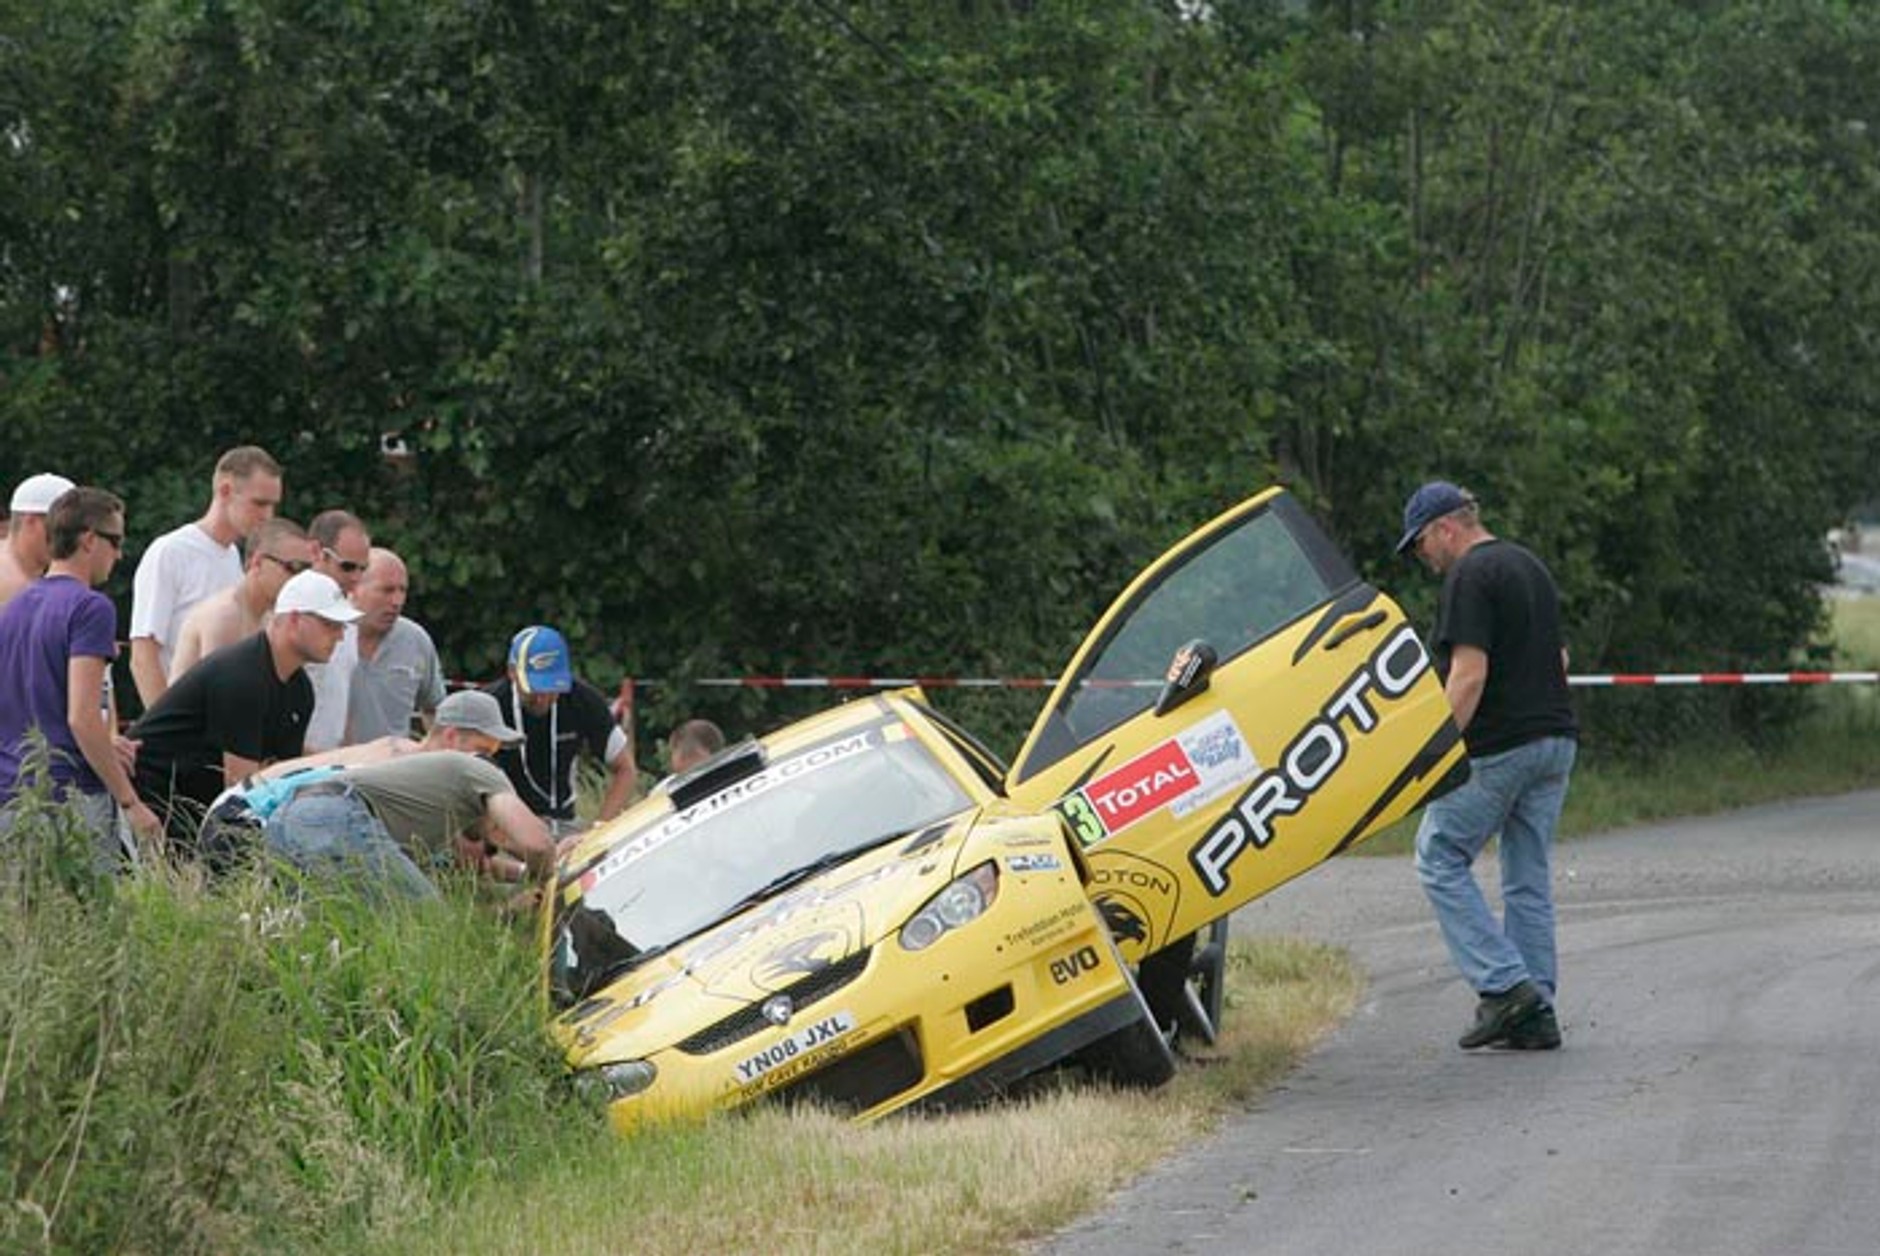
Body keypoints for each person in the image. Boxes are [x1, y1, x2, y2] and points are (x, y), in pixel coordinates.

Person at [1395, 480, 1578, 1051]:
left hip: (1503, 746)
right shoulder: (1529, 566)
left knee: (1438, 854)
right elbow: (1561, 657)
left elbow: (1468, 675)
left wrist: (1434, 753)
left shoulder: (1469, 576)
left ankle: (1504, 988)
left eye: (1421, 545)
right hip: (1557, 741)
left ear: (1446, 528)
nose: (1423, 559)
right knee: (1527, 874)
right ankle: (1535, 1011)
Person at [199, 689, 556, 896]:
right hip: (246, 816)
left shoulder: (408, 778)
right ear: (450, 738)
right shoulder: (397, 760)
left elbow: (466, 861)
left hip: (243, 817)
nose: (487, 763)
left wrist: (524, 871)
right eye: (484, 750)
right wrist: (540, 865)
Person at [130, 569, 359, 853]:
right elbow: (242, 784)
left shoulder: (300, 690)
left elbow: (282, 775)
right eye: (330, 624)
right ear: (295, 619)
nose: (339, 636)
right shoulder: (243, 674)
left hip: (191, 807)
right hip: (149, 800)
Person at [0, 487, 162, 867]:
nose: (120, 554)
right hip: (71, 799)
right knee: (89, 922)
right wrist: (130, 802)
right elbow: (82, 717)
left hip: (12, 797)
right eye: (115, 541)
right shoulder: (91, 608)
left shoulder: (13, 609)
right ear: (89, 539)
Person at [128, 446, 283, 708]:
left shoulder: (236, 557)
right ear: (224, 491)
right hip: (183, 727)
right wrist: (165, 732)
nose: (268, 516)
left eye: (273, 505)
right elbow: (143, 655)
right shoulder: (170, 551)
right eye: (259, 503)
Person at [484, 625, 637, 829]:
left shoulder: (583, 700)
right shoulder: (487, 706)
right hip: (505, 828)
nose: (542, 699)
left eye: (551, 688)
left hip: (565, 823)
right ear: (512, 672)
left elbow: (626, 769)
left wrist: (599, 829)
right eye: (534, 688)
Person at [166, 517, 314, 679]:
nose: (300, 580)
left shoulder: (270, 619)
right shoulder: (224, 616)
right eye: (294, 568)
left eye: (307, 572)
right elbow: (220, 698)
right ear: (257, 562)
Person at [345, 547, 447, 743]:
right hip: (331, 768)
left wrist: (435, 753)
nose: (397, 601)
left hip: (393, 769)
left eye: (403, 590)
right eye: (387, 590)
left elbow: (435, 709)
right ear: (354, 588)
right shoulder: (326, 635)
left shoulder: (415, 640)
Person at [301, 510, 372, 751]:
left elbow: (342, 696)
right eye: (348, 567)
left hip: (328, 760)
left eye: (364, 569)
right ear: (316, 552)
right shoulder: (295, 611)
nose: (357, 577)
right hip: (289, 761)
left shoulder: (349, 617)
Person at [0, 472, 77, 608]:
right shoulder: (13, 586)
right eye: (61, 527)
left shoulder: (28, 577)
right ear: (31, 522)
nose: (69, 537)